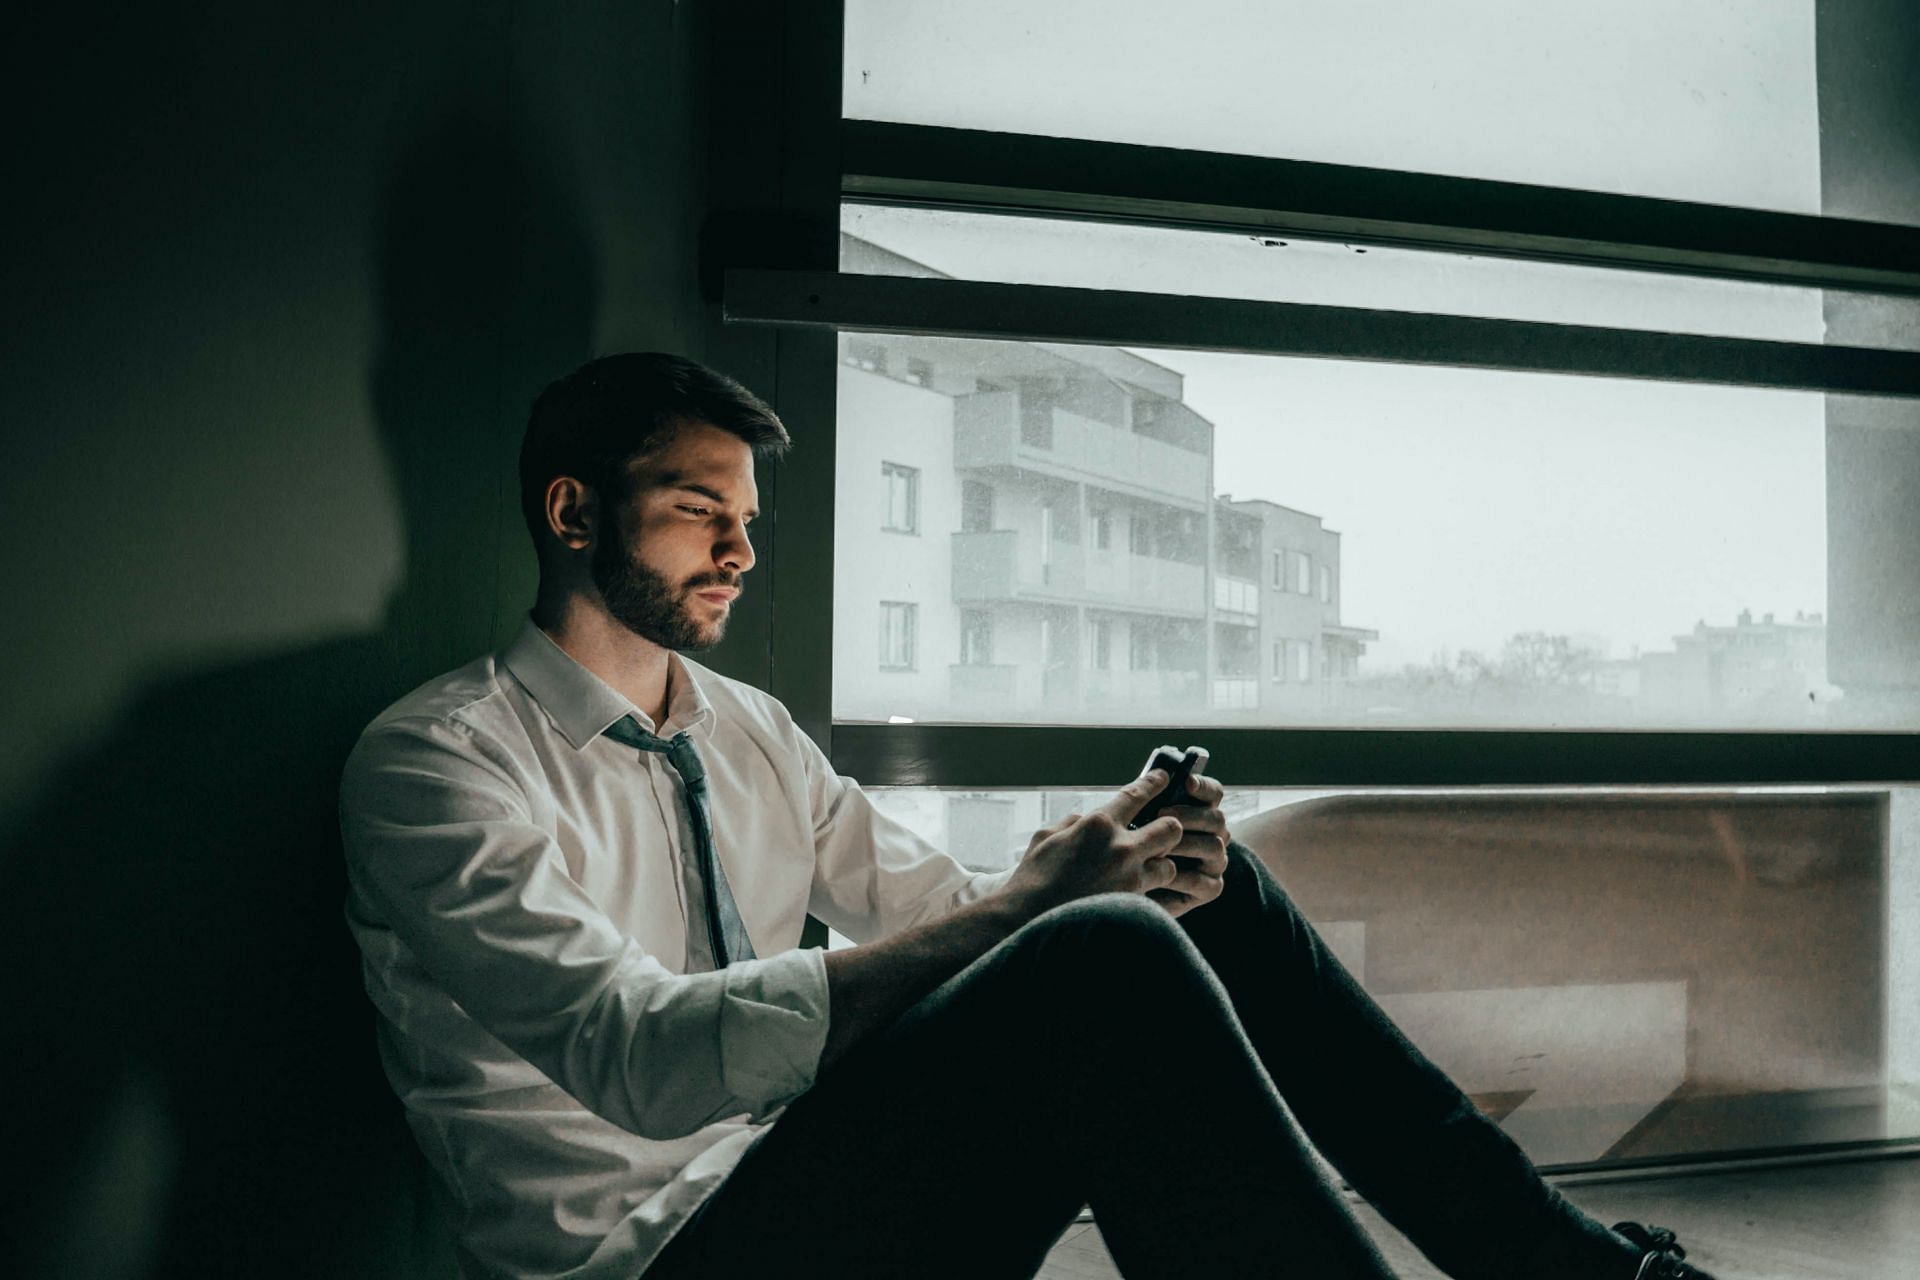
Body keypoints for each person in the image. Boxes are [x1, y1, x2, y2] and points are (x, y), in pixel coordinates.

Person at [339, 352, 1717, 1280]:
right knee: (1101, 951)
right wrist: (1050, 906)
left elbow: (941, 910)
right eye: (700, 510)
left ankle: (1572, 1275)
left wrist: (1113, 853)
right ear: (574, 513)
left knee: (1191, 888)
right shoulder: (435, 765)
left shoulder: (744, 729)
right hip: (655, 1262)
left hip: (828, 1185)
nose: (743, 550)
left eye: (749, 515)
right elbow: (634, 1056)